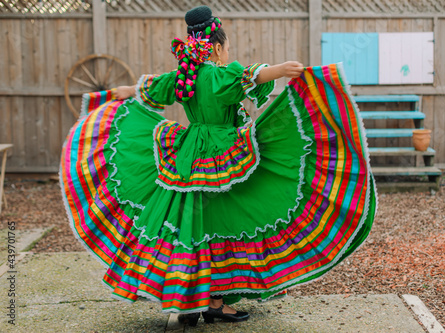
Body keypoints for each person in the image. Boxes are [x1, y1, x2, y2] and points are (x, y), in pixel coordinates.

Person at [60, 5, 376, 327]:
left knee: (188, 225)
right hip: (223, 152)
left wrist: (109, 96)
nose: (228, 54)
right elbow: (251, 76)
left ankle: (186, 302)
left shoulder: (181, 77)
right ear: (217, 47)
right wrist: (280, 69)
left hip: (186, 156)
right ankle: (215, 302)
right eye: (227, 48)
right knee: (220, 223)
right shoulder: (216, 75)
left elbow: (140, 91)